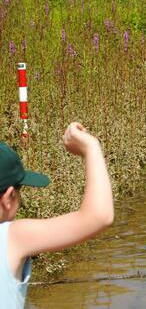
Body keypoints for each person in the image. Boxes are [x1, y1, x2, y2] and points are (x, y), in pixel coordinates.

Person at [0, 122, 114, 308]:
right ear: (8, 197)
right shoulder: (12, 237)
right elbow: (99, 216)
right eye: (19, 193)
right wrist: (91, 146)